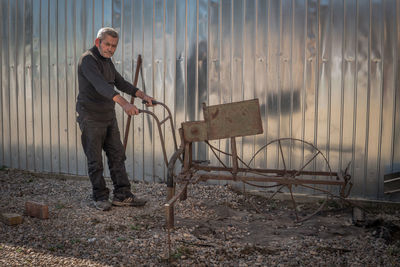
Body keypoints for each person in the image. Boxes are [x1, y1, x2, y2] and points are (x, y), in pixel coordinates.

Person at [76, 27, 154, 211]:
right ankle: (100, 196)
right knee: (95, 160)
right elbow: (102, 86)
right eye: (107, 44)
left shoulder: (107, 61)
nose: (111, 49)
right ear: (98, 42)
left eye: (114, 46)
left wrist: (143, 95)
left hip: (108, 116)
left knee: (117, 155)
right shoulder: (88, 59)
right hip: (91, 117)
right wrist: (125, 104)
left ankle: (122, 195)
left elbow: (120, 82)